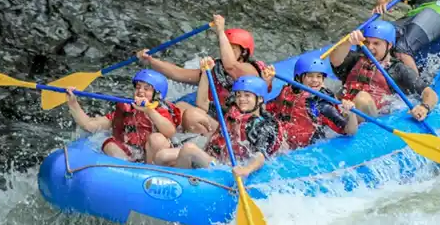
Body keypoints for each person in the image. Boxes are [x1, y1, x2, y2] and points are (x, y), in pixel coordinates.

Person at [137, 14, 268, 134]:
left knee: (191, 115)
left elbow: (231, 66)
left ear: (244, 53)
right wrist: (151, 60)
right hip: (218, 118)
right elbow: (178, 73)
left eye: (230, 48)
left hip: (241, 125)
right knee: (179, 108)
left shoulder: (251, 70)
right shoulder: (216, 68)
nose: (224, 51)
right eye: (224, 46)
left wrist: (221, 31)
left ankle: (211, 147)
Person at [155, 59, 283, 177]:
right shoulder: (232, 111)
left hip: (227, 167)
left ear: (259, 99)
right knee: (162, 155)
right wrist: (206, 73)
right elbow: (203, 103)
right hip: (213, 155)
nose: (241, 99)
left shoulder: (265, 126)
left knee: (189, 149)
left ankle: (182, 184)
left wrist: (245, 170)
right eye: (239, 95)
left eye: (247, 95)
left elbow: (259, 156)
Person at [329, 20, 437, 121]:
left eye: (376, 43)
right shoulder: (355, 59)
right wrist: (347, 42)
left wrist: (424, 107)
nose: (370, 47)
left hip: (371, 115)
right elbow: (335, 59)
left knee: (362, 98)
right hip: (343, 107)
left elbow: (430, 93)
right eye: (367, 42)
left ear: (389, 45)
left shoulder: (398, 69)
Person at [65, 70, 181, 163]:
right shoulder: (126, 109)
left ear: (157, 95)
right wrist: (73, 103)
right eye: (138, 87)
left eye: (146, 89)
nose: (140, 91)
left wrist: (149, 111)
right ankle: (128, 173)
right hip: (133, 155)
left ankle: (150, 174)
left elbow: (170, 132)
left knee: (157, 139)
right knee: (110, 145)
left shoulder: (160, 111)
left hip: (155, 158)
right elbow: (89, 125)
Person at [262, 55, 359, 149]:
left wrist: (351, 113)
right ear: (298, 78)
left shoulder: (320, 104)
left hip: (302, 146)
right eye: (310, 76)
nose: (315, 80)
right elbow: (265, 109)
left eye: (319, 76)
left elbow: (349, 131)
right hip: (279, 135)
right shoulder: (288, 90)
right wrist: (266, 84)